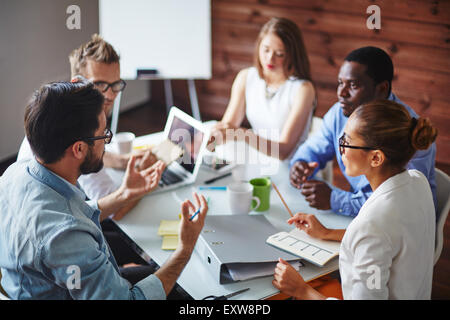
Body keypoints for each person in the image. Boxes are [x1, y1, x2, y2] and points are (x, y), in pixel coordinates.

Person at [0, 81, 208, 299]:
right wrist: (185, 249)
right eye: (103, 135)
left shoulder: (17, 173)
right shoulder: (66, 236)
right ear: (79, 148)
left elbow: (67, 214)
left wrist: (124, 194)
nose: (106, 143)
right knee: (188, 292)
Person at [273, 100, 437, 299]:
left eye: (347, 141)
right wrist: (327, 233)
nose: (340, 148)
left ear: (376, 158)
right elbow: (389, 241)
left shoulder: (372, 225)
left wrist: (301, 290)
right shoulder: (418, 182)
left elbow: (375, 236)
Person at [289, 46, 438, 220]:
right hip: (364, 219)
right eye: (340, 83)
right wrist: (301, 162)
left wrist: (335, 200)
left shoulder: (408, 132)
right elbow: (315, 147)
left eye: (353, 85)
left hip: (401, 227)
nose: (341, 93)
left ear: (382, 89)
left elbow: (396, 206)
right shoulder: (340, 113)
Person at [209, 17, 316, 160]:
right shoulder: (246, 77)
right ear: (258, 46)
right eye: (266, 50)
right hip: (258, 158)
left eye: (279, 54)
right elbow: (228, 126)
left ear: (292, 55)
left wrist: (243, 134)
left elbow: (284, 151)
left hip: (291, 166)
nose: (270, 59)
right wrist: (210, 140)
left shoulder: (303, 89)